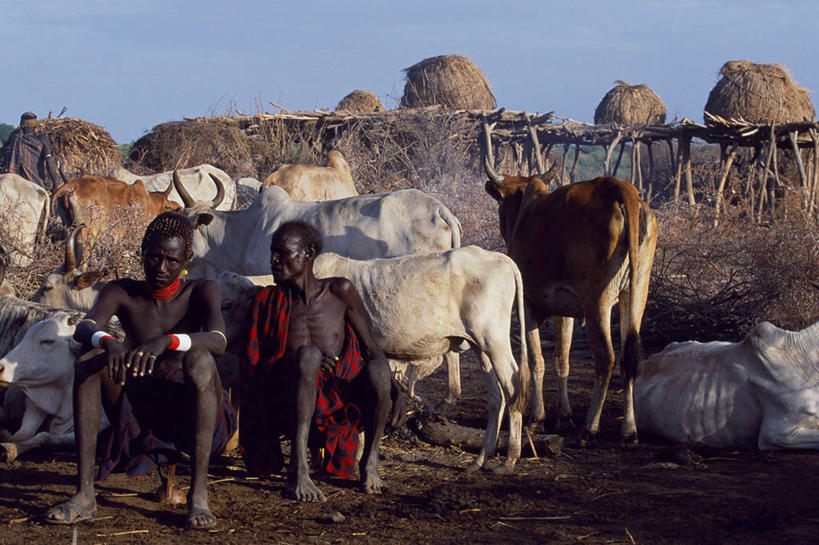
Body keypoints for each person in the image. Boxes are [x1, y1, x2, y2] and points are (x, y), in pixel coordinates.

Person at [45, 211, 236, 530]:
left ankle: (198, 494)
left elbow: (218, 340)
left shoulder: (201, 291)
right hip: (142, 406)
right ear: (142, 252)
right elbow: (86, 326)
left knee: (200, 360)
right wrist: (110, 342)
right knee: (88, 358)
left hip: (195, 410)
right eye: (154, 257)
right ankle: (84, 494)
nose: (161, 268)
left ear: (186, 259)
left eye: (172, 260)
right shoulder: (123, 291)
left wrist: (166, 341)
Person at [240, 221, 393, 502]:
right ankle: (297, 469)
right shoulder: (266, 300)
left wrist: (395, 391)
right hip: (286, 401)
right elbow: (255, 365)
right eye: (272, 252)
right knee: (308, 356)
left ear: (307, 254)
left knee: (381, 370)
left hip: (339, 397)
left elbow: (371, 347)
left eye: (282, 253)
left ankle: (370, 463)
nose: (273, 260)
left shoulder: (339, 291)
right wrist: (298, 363)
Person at [0, 112, 64, 192]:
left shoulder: (15, 139)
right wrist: (55, 183)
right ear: (35, 126)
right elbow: (49, 162)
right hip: (37, 185)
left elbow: (2, 156)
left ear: (21, 125)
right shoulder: (42, 140)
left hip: (17, 186)